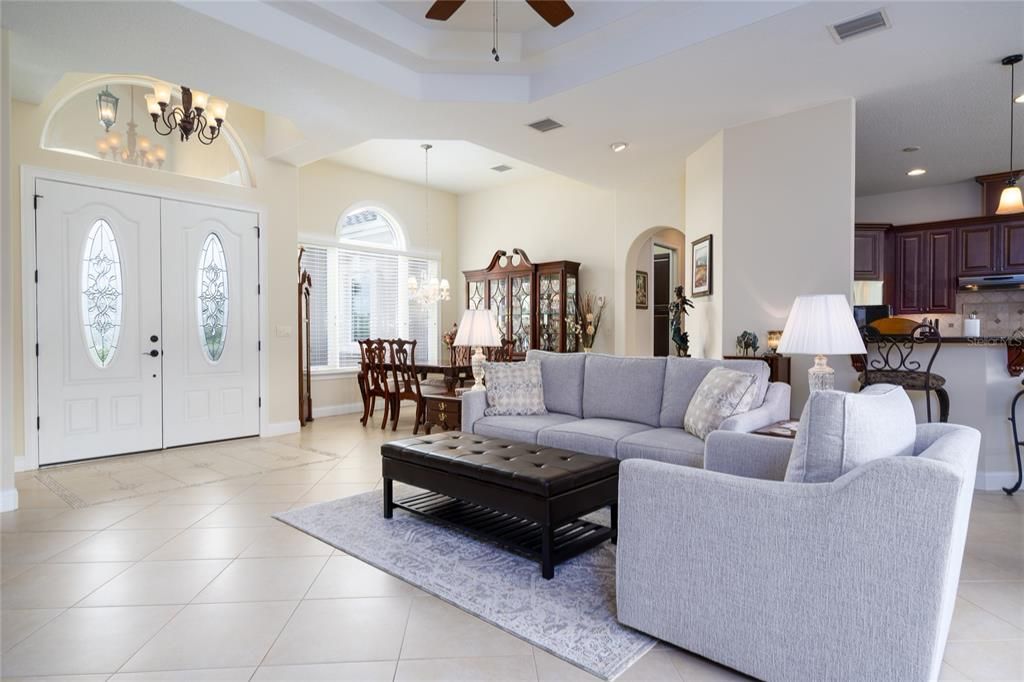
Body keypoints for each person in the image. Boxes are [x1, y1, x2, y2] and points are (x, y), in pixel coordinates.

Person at [669, 285, 694, 357]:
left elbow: (680, 310)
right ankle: (679, 351)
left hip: (676, 320)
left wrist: (676, 316)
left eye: (677, 291)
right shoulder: (675, 301)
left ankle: (684, 347)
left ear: (679, 292)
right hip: (673, 319)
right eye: (675, 291)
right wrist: (670, 308)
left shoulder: (680, 300)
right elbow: (672, 310)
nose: (676, 292)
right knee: (675, 335)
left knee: (674, 335)